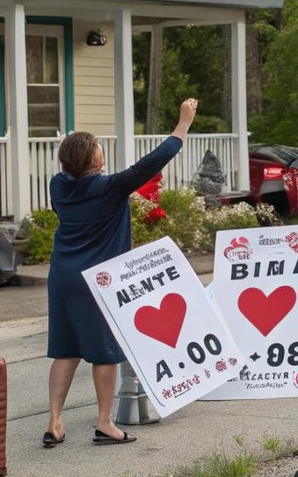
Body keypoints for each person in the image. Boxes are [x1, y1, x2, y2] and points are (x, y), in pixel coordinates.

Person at [43, 97, 197, 448]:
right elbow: (153, 162)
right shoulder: (108, 188)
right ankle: (104, 423)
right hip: (96, 282)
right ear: (95, 159)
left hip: (62, 276)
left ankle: (54, 422)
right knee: (104, 352)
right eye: (98, 148)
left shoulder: (58, 186)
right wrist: (183, 122)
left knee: (66, 350)